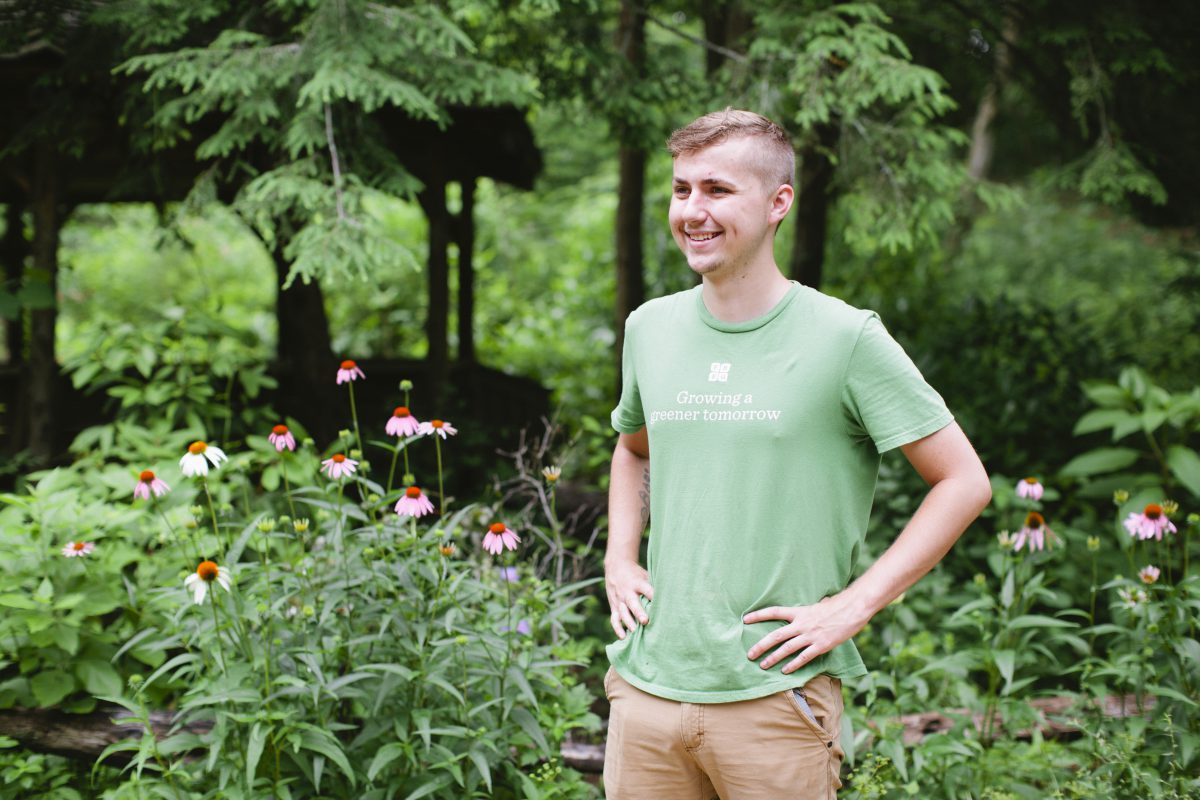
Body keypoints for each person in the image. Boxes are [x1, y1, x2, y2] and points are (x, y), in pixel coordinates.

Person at [602, 108, 992, 799]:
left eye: (718, 190)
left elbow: (963, 482)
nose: (693, 210)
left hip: (775, 697)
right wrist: (620, 556)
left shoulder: (845, 339)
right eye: (682, 189)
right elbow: (635, 449)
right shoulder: (649, 329)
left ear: (779, 202)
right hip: (648, 692)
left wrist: (855, 605)